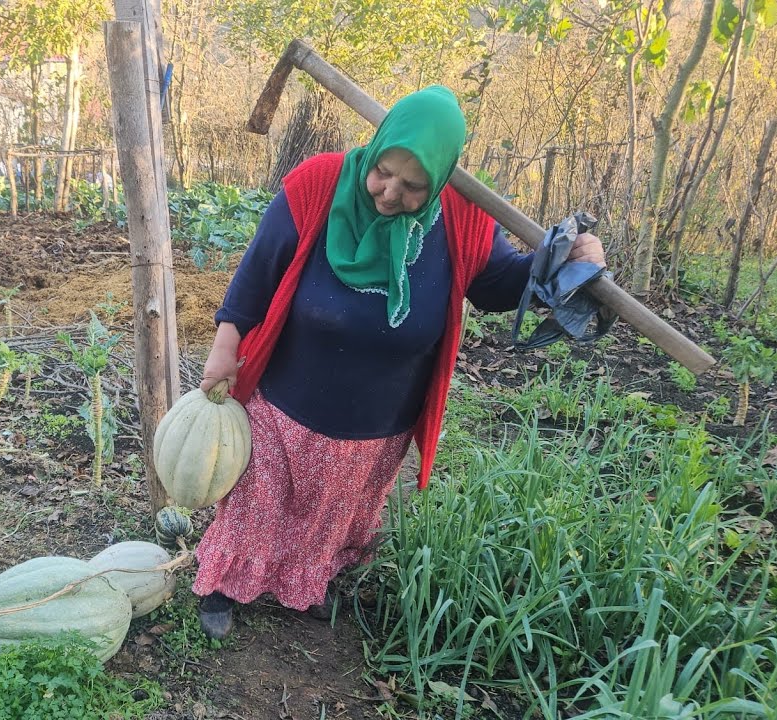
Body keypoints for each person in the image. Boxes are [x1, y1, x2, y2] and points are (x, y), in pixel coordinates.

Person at [192, 86, 605, 639]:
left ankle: (304, 581)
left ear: (439, 179)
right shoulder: (318, 184)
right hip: (286, 402)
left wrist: (567, 259)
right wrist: (225, 348)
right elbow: (256, 275)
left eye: (413, 186)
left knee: (332, 515)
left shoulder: (460, 215)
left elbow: (502, 283)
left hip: (378, 419)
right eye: (383, 172)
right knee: (257, 502)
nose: (389, 193)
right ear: (376, 149)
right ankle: (224, 583)